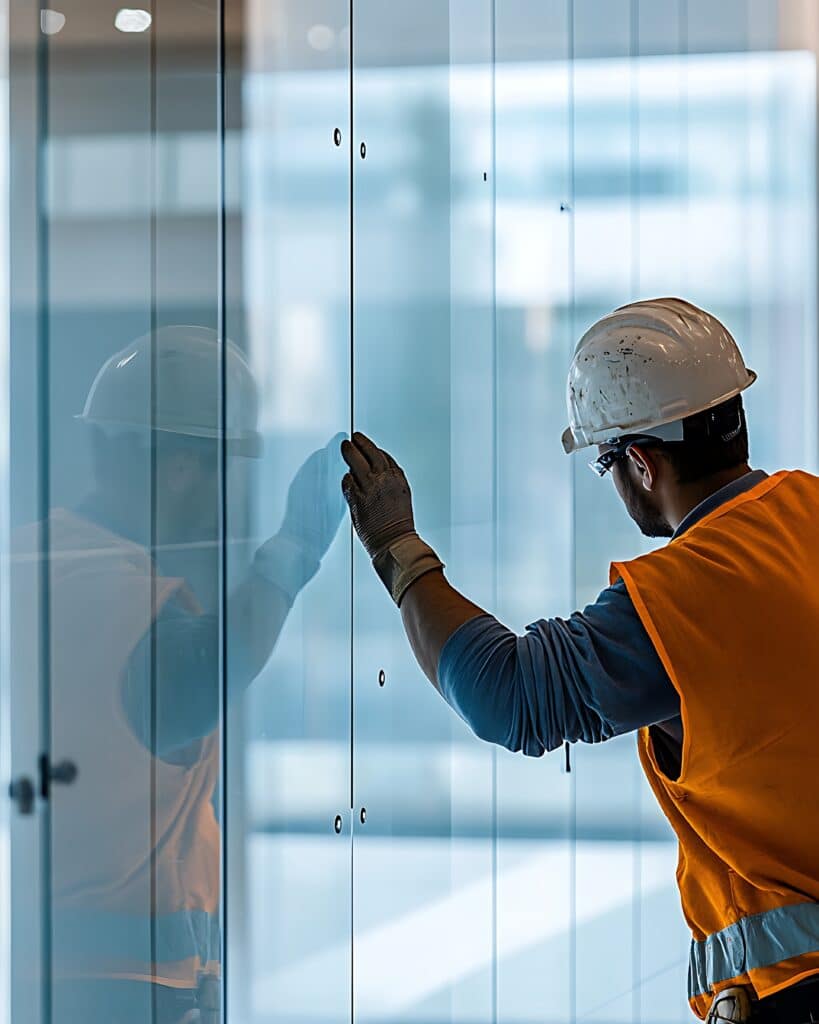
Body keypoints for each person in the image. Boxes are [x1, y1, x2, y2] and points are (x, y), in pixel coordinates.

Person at [340, 298, 819, 1024]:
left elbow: (507, 695)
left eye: (606, 464)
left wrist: (395, 548)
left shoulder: (685, 594)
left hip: (798, 989)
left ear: (638, 460)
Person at [16, 325, 344, 1023]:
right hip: (120, 983)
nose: (223, 490)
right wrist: (291, 551)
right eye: (219, 466)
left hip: (63, 969)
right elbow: (197, 679)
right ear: (176, 466)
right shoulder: (114, 592)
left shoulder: (34, 560)